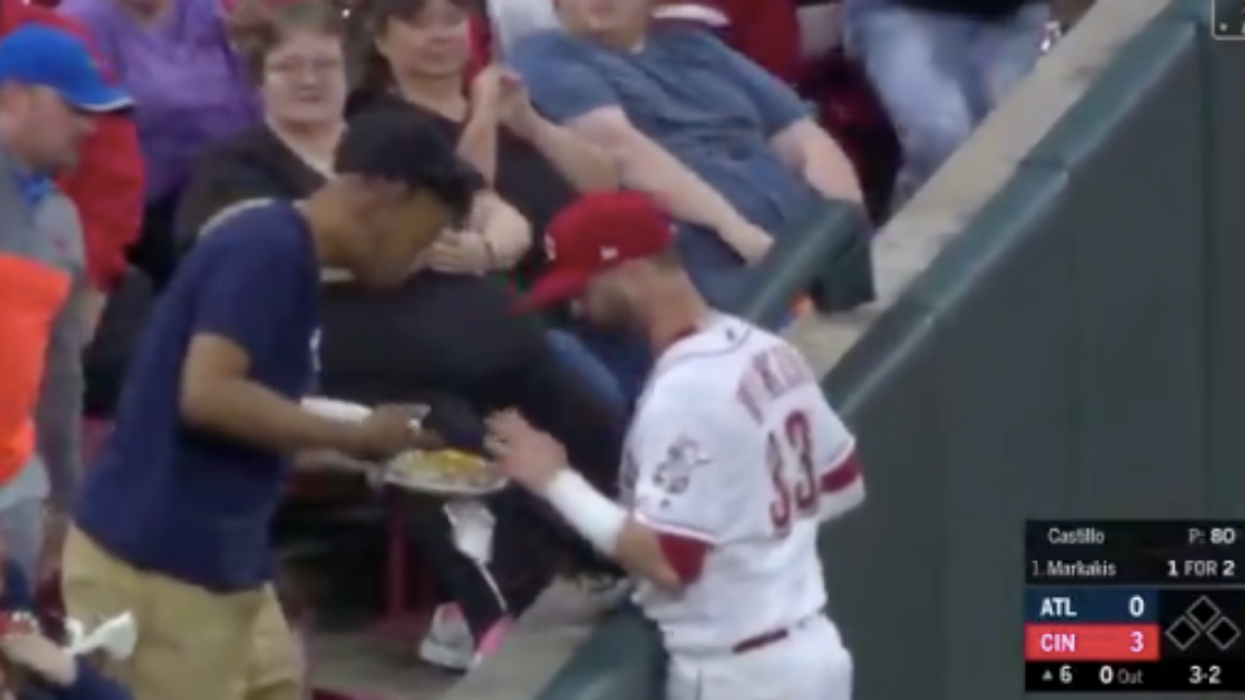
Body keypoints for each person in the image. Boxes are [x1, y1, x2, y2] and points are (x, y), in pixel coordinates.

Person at [172, 0, 628, 670]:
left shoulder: (386, 139)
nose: (309, 80)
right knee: (437, 425)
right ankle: (493, 611)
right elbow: (248, 248)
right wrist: (394, 250)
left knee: (567, 394)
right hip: (333, 350)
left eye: (323, 65)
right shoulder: (235, 165)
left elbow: (497, 213)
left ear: (349, 70)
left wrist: (480, 249)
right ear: (259, 80)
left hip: (472, 335)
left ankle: (612, 556)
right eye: (290, 67)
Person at [60, 109, 479, 700]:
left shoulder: (293, 257)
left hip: (227, 560)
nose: (423, 253)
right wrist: (351, 437)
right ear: (385, 193)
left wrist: (359, 451)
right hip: (158, 561)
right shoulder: (267, 249)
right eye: (425, 232)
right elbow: (209, 395)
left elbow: (245, 414)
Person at [485, 191, 867, 700]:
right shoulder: (764, 348)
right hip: (813, 654)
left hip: (741, 676)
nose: (576, 306)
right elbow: (843, 484)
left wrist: (553, 479)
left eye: (583, 287)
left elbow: (668, 561)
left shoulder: (688, 391)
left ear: (629, 272)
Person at [509, 0, 861, 314]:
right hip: (711, 251)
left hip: (799, 232)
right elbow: (623, 149)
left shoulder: (696, 45)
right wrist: (737, 231)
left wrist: (847, 230)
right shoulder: (547, 54)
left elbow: (803, 136)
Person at [0, 25, 132, 582]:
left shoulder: (60, 221)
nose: (89, 126)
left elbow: (59, 374)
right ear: (15, 98)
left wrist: (66, 501)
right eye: (74, 108)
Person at [60, 0, 260, 290]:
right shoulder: (83, 20)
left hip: (234, 180)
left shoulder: (210, 11)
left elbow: (254, 94)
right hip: (145, 206)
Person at [0, 0, 144, 319]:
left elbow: (114, 180)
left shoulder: (58, 214)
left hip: (64, 275)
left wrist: (88, 281)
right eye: (76, 111)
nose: (88, 126)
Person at [843, 0, 1050, 206]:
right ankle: (920, 217)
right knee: (944, 137)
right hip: (897, 10)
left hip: (1009, 14)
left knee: (1025, 139)